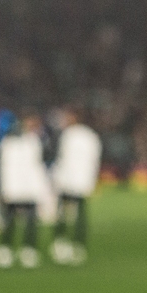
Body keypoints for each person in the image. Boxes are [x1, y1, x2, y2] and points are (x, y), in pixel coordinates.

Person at [0, 115, 47, 269]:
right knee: (11, 220)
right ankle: (7, 249)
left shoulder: (31, 142)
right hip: (16, 188)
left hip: (27, 188)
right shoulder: (12, 144)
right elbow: (4, 168)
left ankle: (26, 250)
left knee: (29, 221)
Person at [50, 109, 101, 264]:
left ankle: (61, 242)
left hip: (68, 179)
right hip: (81, 180)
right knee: (79, 213)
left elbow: (61, 158)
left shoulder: (68, 135)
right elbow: (95, 160)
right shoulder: (91, 136)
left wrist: (56, 177)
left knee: (65, 212)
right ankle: (77, 245)